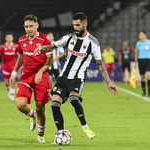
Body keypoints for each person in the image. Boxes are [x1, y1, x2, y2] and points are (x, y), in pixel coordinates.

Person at [34, 12, 119, 141]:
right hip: (63, 78)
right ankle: (61, 134)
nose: (75, 28)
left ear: (85, 24)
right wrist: (40, 48)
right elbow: (52, 46)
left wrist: (109, 83)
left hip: (77, 79)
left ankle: (85, 127)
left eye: (78, 25)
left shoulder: (93, 43)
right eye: (74, 25)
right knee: (55, 105)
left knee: (74, 99)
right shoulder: (69, 38)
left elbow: (100, 65)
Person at [9, 14, 53, 143]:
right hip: (26, 76)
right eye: (26, 27)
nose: (29, 29)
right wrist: (14, 72)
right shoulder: (21, 40)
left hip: (42, 76)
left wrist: (40, 71)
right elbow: (21, 57)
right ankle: (32, 115)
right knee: (20, 105)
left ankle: (40, 135)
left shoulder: (45, 40)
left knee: (40, 108)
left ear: (37, 25)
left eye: (31, 26)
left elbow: (50, 60)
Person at [0, 33, 19, 100]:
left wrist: (19, 65)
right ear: (5, 39)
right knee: (6, 83)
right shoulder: (2, 47)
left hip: (13, 66)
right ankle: (9, 91)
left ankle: (11, 95)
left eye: (10, 37)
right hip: (5, 66)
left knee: (12, 81)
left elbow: (19, 56)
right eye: (8, 38)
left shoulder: (16, 46)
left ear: (12, 38)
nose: (9, 39)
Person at [134, 30, 150, 97]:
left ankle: (149, 91)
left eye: (140, 35)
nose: (139, 36)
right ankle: (144, 92)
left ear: (144, 35)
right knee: (142, 77)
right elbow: (136, 53)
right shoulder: (138, 43)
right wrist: (135, 62)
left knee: (149, 75)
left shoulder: (149, 42)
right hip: (141, 60)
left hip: (148, 60)